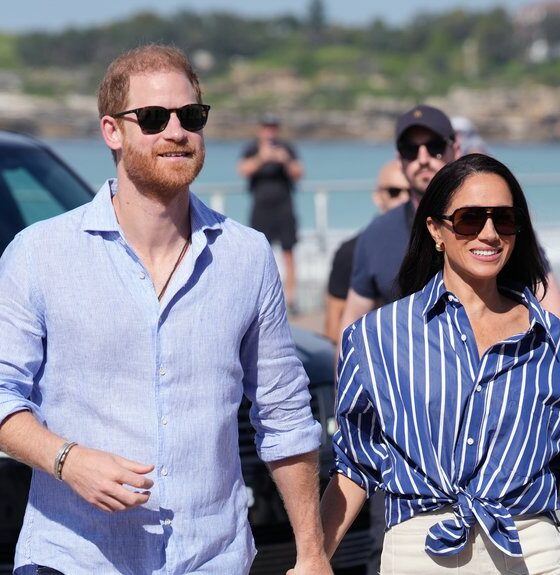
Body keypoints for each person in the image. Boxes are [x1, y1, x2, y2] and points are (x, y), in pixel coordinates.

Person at [0, 45, 332, 575]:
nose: (176, 132)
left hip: (213, 559)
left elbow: (285, 414)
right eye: (154, 118)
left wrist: (312, 554)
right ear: (112, 131)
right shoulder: (38, 255)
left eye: (190, 116)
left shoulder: (246, 256)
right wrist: (68, 460)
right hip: (75, 557)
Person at [321, 153, 560, 574]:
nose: (489, 233)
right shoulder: (377, 336)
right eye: (470, 219)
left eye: (504, 219)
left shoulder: (551, 340)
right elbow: (356, 463)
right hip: (421, 552)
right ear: (435, 229)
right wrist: (313, 557)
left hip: (534, 551)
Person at [324, 160, 409, 343]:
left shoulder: (430, 247)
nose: (404, 198)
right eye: (394, 192)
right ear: (377, 197)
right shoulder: (350, 252)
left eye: (410, 192)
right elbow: (333, 326)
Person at [238, 114, 303, 314]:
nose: (270, 132)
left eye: (273, 127)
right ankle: (259, 300)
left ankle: (291, 300)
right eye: (267, 127)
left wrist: (285, 160)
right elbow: (243, 170)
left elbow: (299, 173)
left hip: (284, 207)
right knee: (259, 253)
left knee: (288, 253)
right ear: (261, 130)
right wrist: (261, 158)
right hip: (261, 209)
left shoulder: (287, 148)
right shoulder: (252, 149)